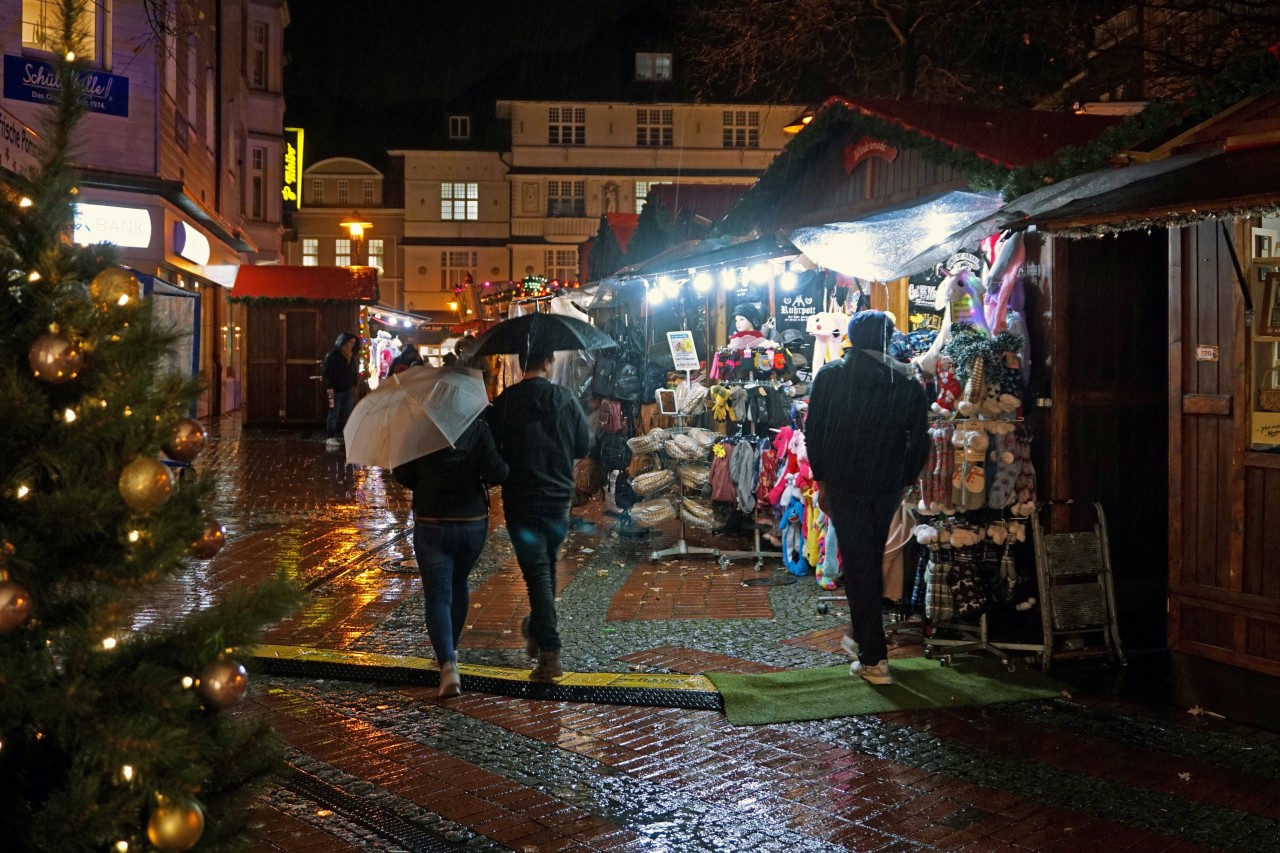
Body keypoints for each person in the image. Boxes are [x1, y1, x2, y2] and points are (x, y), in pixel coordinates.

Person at [805, 311, 930, 686]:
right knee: (866, 559)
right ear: (888, 338)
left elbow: (815, 432)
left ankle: (874, 659)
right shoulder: (906, 382)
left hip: (845, 481)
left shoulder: (831, 376)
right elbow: (919, 439)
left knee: (861, 563)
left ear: (853, 337)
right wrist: (906, 478)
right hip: (886, 484)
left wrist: (822, 479)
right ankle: (862, 638)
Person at [486, 349, 591, 681]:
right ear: (548, 363)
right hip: (559, 500)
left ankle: (549, 651)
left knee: (539, 575)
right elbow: (583, 445)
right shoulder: (564, 397)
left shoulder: (505, 402)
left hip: (521, 500)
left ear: (520, 364)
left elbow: (492, 449)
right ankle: (536, 630)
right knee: (544, 569)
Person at [393, 417, 508, 698]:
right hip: (471, 521)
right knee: (459, 583)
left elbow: (401, 472)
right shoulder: (479, 428)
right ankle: (450, 649)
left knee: (437, 595)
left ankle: (447, 664)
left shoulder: (419, 427)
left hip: (432, 521)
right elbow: (497, 472)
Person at [322, 332, 361, 447]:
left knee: (348, 411)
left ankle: (348, 434)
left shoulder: (350, 356)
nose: (353, 345)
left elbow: (352, 371)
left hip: (347, 388)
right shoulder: (332, 355)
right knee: (333, 412)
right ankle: (330, 436)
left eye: (354, 343)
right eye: (351, 342)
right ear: (344, 342)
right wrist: (330, 386)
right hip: (333, 390)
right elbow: (326, 373)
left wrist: (354, 382)